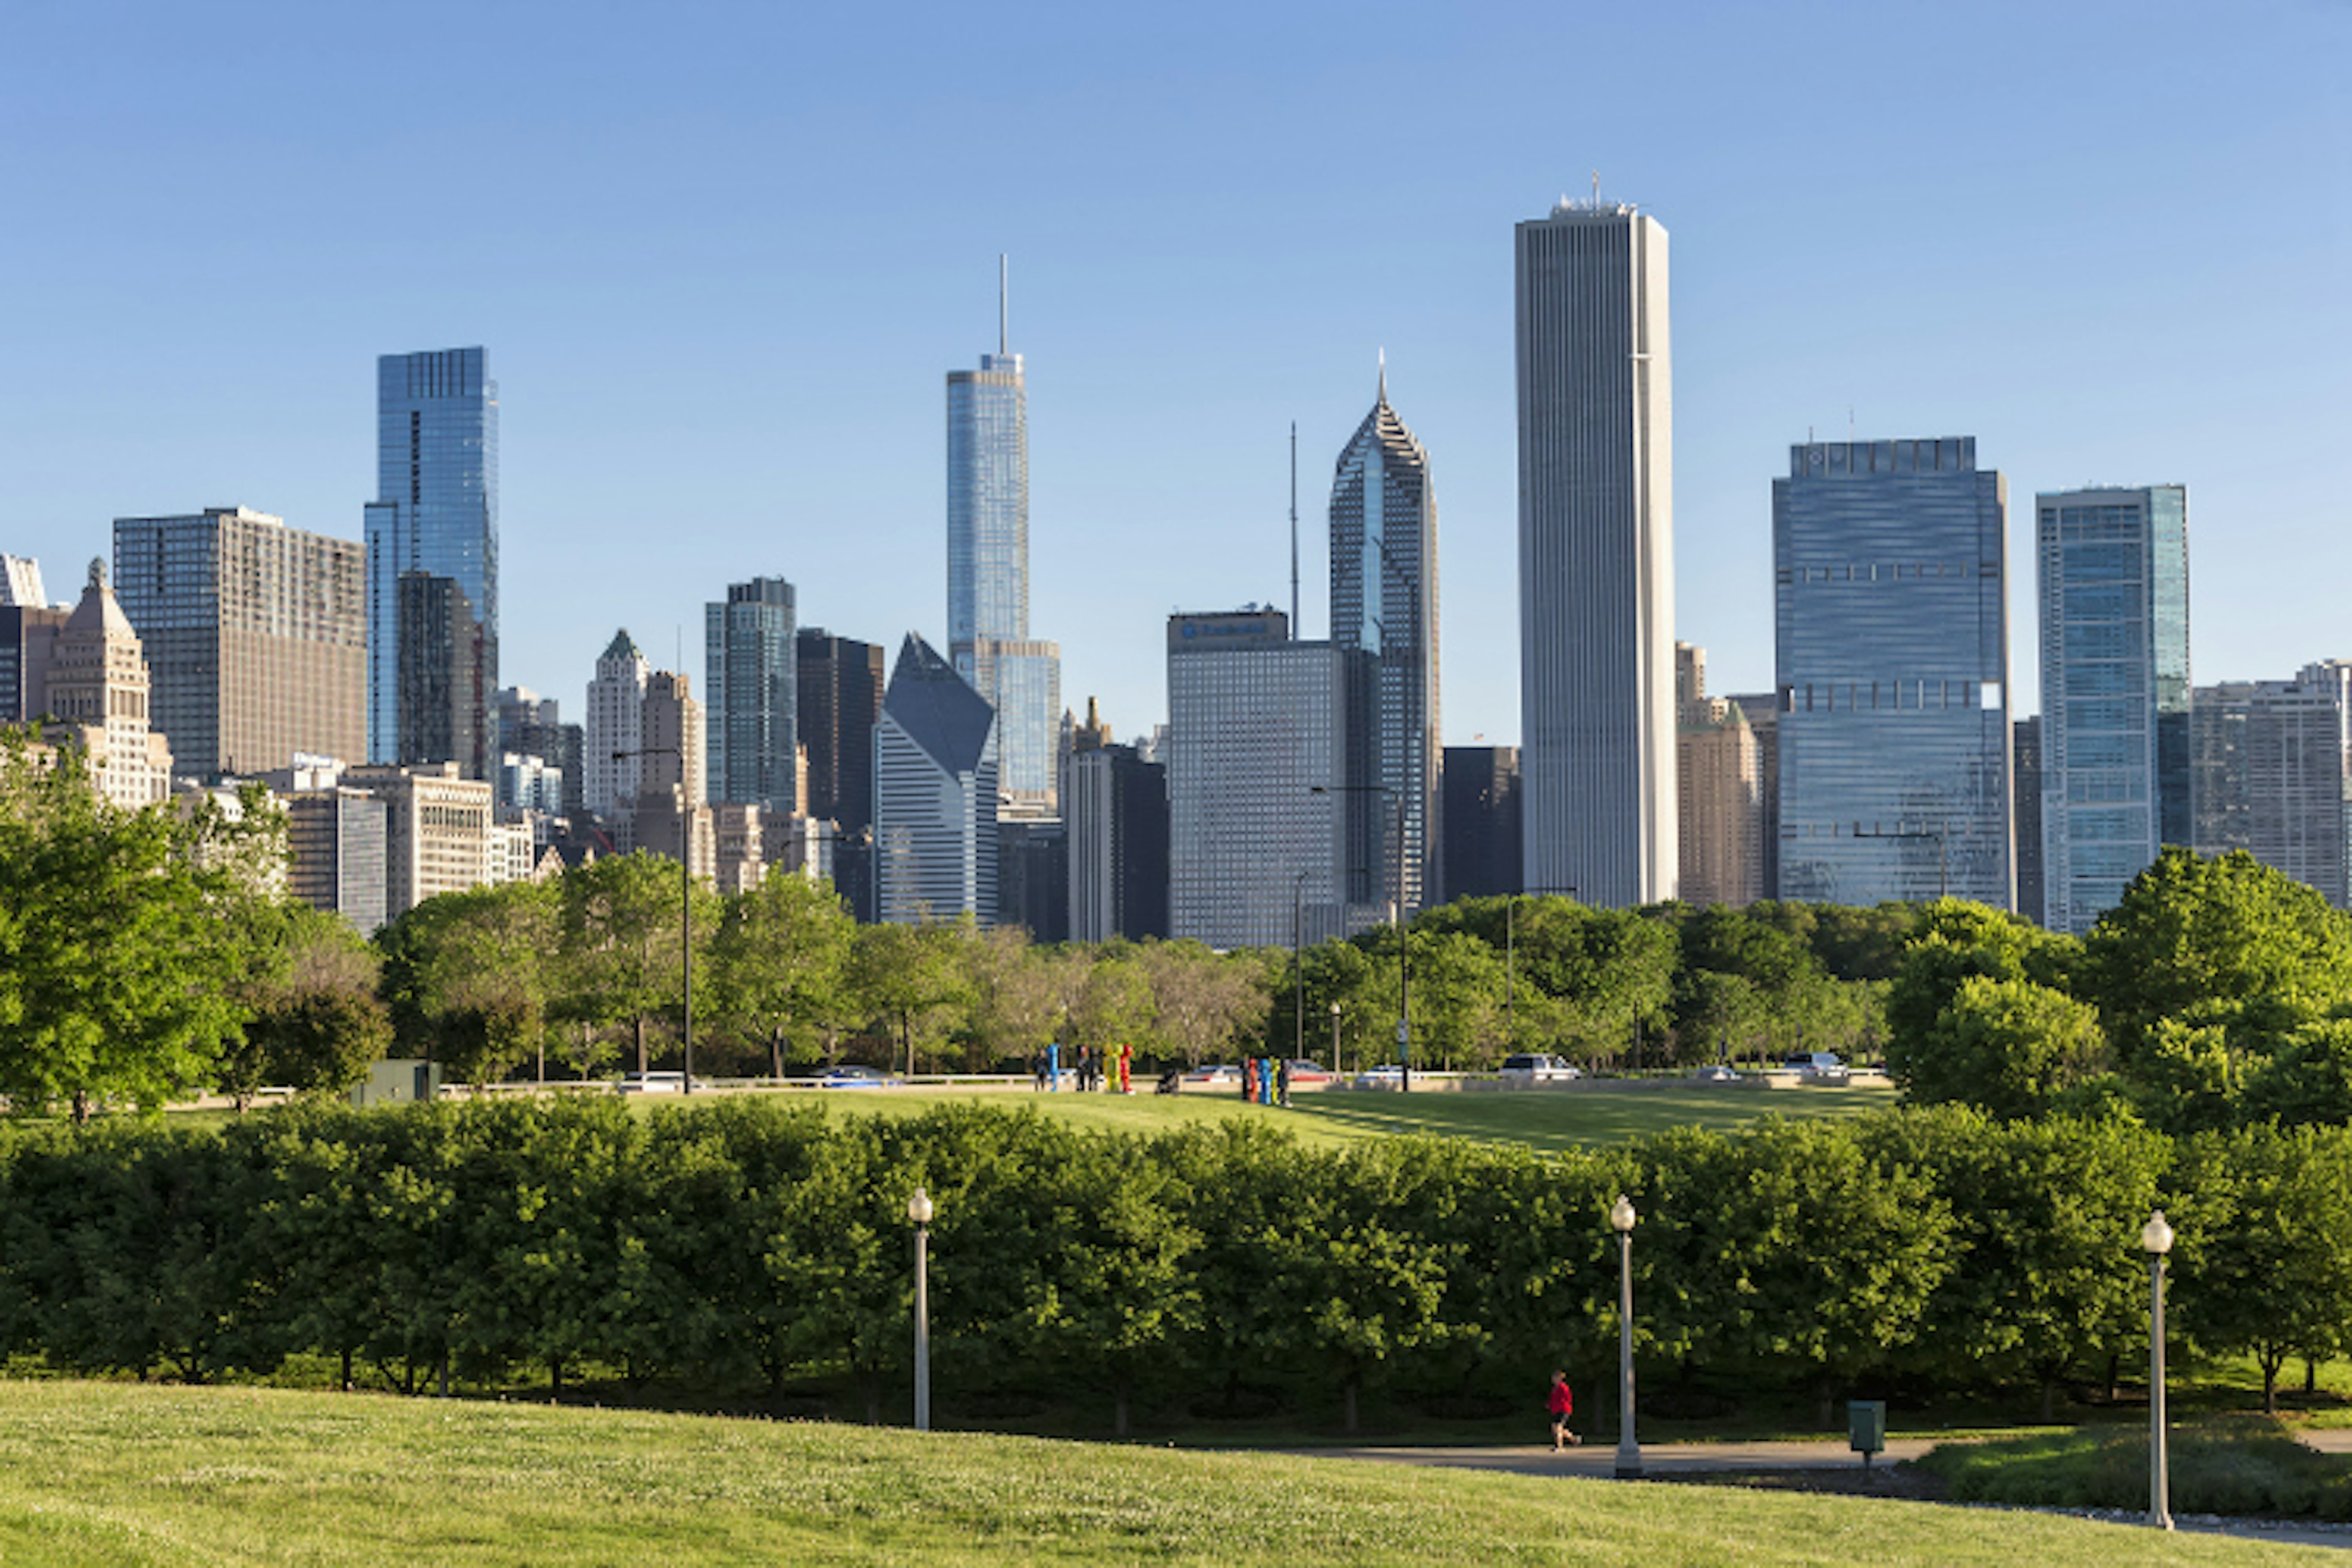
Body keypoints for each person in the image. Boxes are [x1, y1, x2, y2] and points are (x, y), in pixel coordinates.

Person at [1548, 1370, 1581, 1450]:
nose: (1553, 1380)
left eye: (1555, 1378)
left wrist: (1562, 1404)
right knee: (1555, 1427)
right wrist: (1550, 1405)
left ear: (1559, 1378)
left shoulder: (1564, 1387)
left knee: (1558, 1427)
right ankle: (1573, 1439)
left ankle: (1559, 1447)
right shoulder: (1555, 1389)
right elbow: (1553, 1400)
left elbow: (1568, 1398)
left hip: (1564, 1410)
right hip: (1556, 1410)